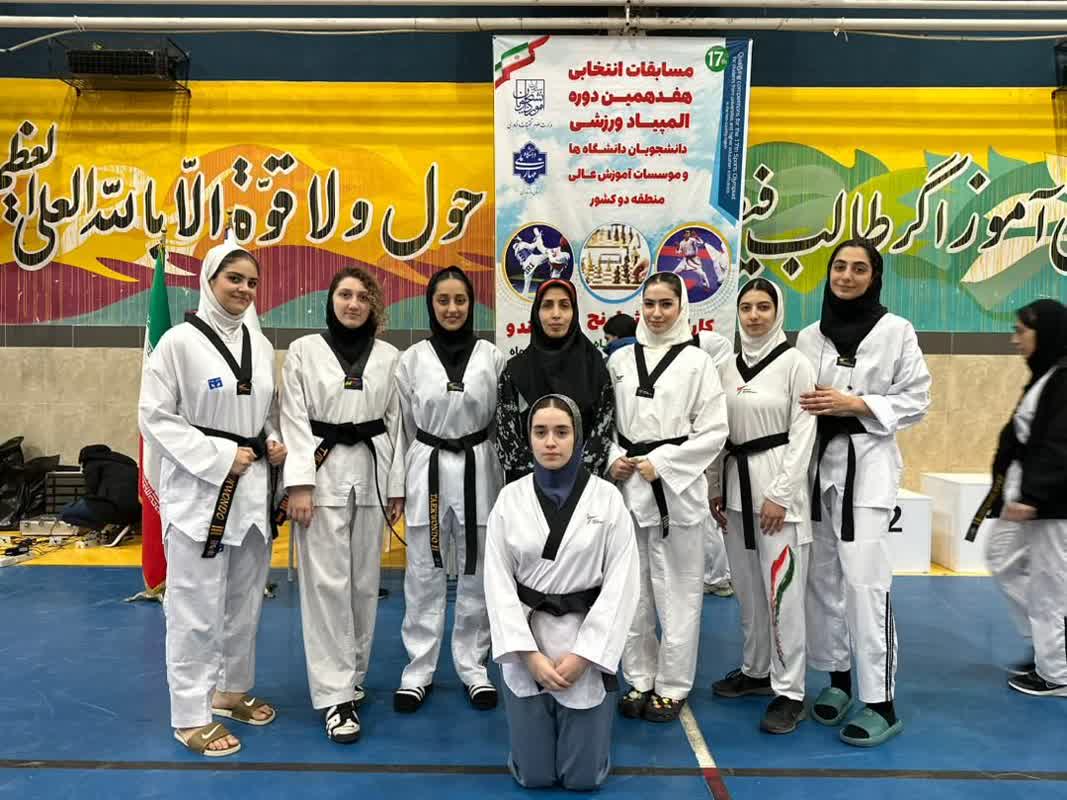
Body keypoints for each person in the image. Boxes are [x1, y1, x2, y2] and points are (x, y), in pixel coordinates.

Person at [139, 241, 286, 757]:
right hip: (200, 494)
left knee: (244, 603)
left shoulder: (259, 345)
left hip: (251, 495)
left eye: (252, 282)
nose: (244, 289)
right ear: (209, 280)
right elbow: (154, 417)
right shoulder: (177, 344)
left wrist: (271, 440)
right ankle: (189, 714)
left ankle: (229, 690)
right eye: (234, 279)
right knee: (195, 608)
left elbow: (264, 409)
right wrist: (221, 455)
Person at [797, 238, 930, 747]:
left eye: (858, 269)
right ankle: (838, 679)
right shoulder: (809, 337)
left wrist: (857, 404)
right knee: (821, 579)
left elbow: (917, 399)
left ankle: (881, 701)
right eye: (839, 267)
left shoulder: (897, 331)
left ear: (875, 277)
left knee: (865, 582)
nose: (846, 276)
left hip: (868, 467)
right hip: (815, 468)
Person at [485, 394, 639, 790]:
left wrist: (586, 655)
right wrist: (528, 655)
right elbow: (497, 583)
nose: (550, 442)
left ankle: (593, 741)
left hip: (584, 638)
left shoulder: (608, 499)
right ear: (529, 439)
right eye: (540, 432)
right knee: (534, 776)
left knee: (581, 779)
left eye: (561, 432)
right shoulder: (510, 499)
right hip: (527, 640)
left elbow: (622, 585)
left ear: (579, 438)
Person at [278, 266, 404, 743]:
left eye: (362, 297)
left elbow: (396, 423)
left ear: (373, 306)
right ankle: (335, 696)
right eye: (345, 295)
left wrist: (396, 486)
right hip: (321, 474)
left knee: (364, 585)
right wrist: (299, 485)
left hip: (370, 475)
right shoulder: (304, 351)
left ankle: (352, 676)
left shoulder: (390, 356)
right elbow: (292, 418)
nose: (353, 304)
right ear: (330, 300)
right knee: (326, 587)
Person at [608, 272, 728, 722]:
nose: (657, 313)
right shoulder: (620, 360)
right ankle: (639, 677)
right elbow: (605, 422)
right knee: (631, 592)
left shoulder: (698, 363)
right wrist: (614, 458)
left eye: (666, 304)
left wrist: (665, 462)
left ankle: (673, 685)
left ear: (682, 308)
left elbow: (714, 430)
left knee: (678, 593)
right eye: (650, 304)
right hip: (628, 487)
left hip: (675, 491)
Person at [391, 266, 506, 712]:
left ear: (471, 304)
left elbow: (500, 423)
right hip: (428, 467)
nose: (453, 308)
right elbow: (402, 427)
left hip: (480, 467)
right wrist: (398, 484)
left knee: (477, 572)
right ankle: (418, 670)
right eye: (444, 300)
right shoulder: (412, 359)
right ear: (431, 305)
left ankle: (474, 667)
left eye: (460, 300)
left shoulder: (491, 356)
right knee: (424, 572)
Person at [708, 278, 816, 734]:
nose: (754, 316)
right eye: (747, 307)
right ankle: (755, 670)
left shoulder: (796, 364)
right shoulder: (726, 368)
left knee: (782, 594)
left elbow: (804, 432)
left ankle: (790, 690)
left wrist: (781, 494)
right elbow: (716, 431)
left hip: (778, 499)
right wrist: (716, 485)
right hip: (736, 493)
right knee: (749, 590)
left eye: (763, 307)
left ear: (778, 311)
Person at [975, 300, 1067, 697]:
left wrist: (1034, 495)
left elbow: (1059, 445)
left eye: (1021, 332)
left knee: (1050, 584)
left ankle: (1057, 672)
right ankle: (1051, 643)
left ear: (1043, 333)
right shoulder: (1047, 375)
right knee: (1001, 556)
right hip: (1025, 494)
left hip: (1049, 501)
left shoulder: (1063, 380)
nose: (1015, 340)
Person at [497, 279, 615, 484]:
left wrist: (575, 477)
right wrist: (542, 481)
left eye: (564, 305)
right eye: (547, 305)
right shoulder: (515, 371)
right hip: (528, 487)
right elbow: (507, 438)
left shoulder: (595, 367)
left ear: (574, 313)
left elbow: (602, 431)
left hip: (584, 486)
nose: (556, 314)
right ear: (536, 313)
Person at [693, 328, 735, 598]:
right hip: (707, 459)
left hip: (712, 458)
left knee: (710, 521)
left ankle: (718, 577)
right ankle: (718, 574)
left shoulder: (720, 382)